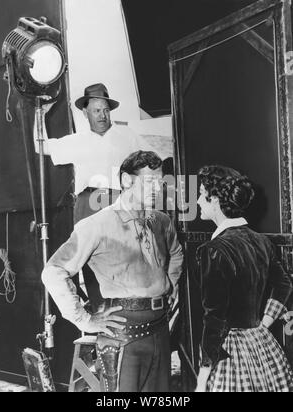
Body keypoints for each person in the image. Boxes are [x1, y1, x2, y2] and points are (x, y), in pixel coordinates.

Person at [42, 151, 184, 392]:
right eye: (149, 182)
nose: (157, 189)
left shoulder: (161, 221)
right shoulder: (96, 225)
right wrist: (84, 319)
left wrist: (169, 286)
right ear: (127, 180)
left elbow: (177, 253)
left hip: (161, 330)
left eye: (159, 183)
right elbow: (54, 271)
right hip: (123, 334)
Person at [195, 165, 293, 392]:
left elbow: (215, 318)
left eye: (201, 193)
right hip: (260, 342)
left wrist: (202, 379)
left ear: (216, 199)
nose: (198, 200)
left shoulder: (213, 249)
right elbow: (284, 284)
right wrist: (263, 324)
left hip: (229, 351)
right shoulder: (261, 241)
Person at [33, 83, 157, 223]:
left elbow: (155, 161)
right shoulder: (77, 140)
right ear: (85, 113)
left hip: (120, 202)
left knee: (123, 244)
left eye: (106, 110)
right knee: (88, 244)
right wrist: (40, 113)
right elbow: (40, 146)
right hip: (88, 205)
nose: (102, 116)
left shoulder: (127, 135)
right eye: (96, 111)